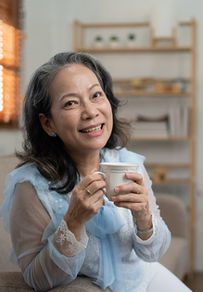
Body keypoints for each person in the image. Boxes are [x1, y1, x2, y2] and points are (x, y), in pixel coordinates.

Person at [0, 52, 192, 292]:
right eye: (71, 102)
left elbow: (153, 253)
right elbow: (36, 279)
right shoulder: (31, 188)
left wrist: (144, 217)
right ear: (48, 123)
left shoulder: (126, 162)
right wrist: (73, 222)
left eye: (96, 95)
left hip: (145, 279)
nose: (91, 111)